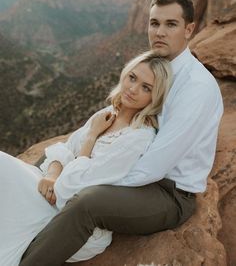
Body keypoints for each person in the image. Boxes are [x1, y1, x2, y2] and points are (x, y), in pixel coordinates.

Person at [20, 0, 223, 266]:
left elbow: (153, 167)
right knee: (42, 166)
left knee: (87, 203)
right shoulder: (154, 66)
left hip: (167, 192)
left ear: (189, 29)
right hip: (132, 167)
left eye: (171, 24)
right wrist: (65, 168)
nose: (160, 32)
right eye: (154, 23)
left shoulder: (196, 88)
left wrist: (81, 179)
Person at [0, 51, 172, 266]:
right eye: (133, 77)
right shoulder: (109, 112)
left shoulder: (138, 138)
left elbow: (73, 190)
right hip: (52, 193)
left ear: (155, 97)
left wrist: (91, 137)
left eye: (146, 87)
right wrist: (52, 174)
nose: (133, 89)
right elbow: (66, 147)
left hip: (71, 218)